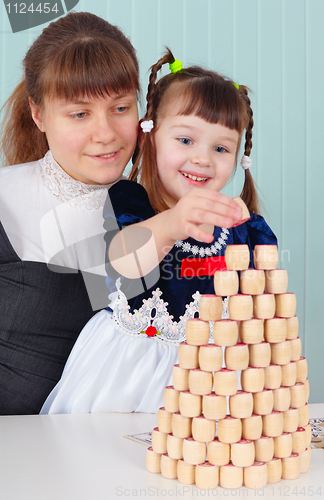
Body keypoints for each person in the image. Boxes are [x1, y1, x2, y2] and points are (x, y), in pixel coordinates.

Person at [40, 49, 277, 415]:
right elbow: (125, 264)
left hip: (210, 381)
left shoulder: (245, 228)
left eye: (220, 148)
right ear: (150, 136)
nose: (202, 158)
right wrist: (173, 223)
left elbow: (263, 307)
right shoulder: (133, 203)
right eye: (185, 140)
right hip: (129, 373)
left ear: (238, 158)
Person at [0, 11, 140, 415]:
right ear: (38, 114)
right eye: (80, 114)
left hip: (120, 460)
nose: (106, 133)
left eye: (120, 107)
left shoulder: (160, 217)